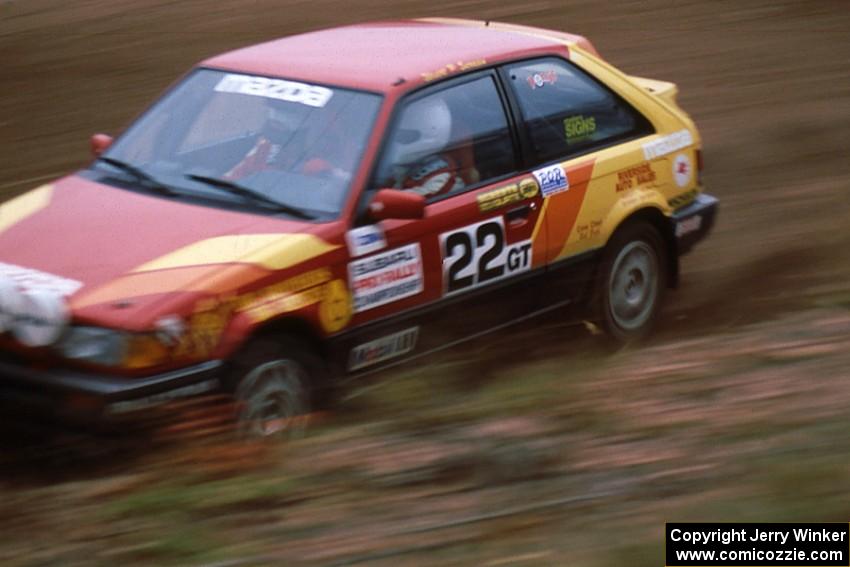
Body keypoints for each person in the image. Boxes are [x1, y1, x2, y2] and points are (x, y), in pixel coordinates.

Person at [385, 97, 478, 198]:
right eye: (398, 135)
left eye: (406, 136)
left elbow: (397, 201)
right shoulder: (403, 165)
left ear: (431, 134)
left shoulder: (444, 182)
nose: (398, 142)